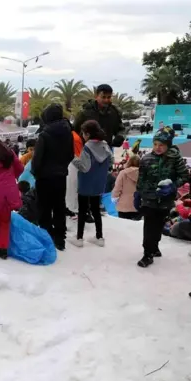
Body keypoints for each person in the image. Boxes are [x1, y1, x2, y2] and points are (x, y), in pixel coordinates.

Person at [134, 126, 188, 267]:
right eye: (155, 144)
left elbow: (184, 176)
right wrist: (138, 193)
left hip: (165, 200)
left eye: (161, 145)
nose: (158, 148)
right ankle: (147, 254)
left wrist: (173, 186)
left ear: (168, 145)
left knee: (158, 225)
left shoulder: (175, 159)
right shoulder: (146, 159)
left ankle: (155, 246)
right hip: (149, 199)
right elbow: (141, 178)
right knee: (149, 226)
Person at [31, 104, 74, 251]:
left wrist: (35, 172)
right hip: (61, 176)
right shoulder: (68, 132)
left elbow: (37, 159)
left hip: (44, 178)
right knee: (59, 206)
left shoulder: (44, 134)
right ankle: (60, 239)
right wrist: (62, 168)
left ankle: (47, 236)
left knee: (44, 208)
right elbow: (71, 154)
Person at [69, 120, 113, 247]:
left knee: (82, 210)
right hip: (99, 182)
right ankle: (99, 237)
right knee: (96, 209)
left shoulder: (87, 147)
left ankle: (79, 238)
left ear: (87, 134)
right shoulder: (104, 145)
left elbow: (84, 167)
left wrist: (73, 158)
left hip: (86, 182)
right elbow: (110, 162)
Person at [73, 83, 125, 148]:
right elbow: (74, 130)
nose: (106, 100)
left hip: (106, 150)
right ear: (96, 96)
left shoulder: (114, 112)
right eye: (103, 97)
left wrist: (120, 136)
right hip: (87, 151)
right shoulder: (85, 112)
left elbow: (121, 129)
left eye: (108, 97)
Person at [112, 155, 141, 220]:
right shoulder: (142, 173)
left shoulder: (123, 173)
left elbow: (117, 187)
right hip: (138, 204)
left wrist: (114, 198)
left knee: (123, 227)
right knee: (135, 227)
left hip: (123, 205)